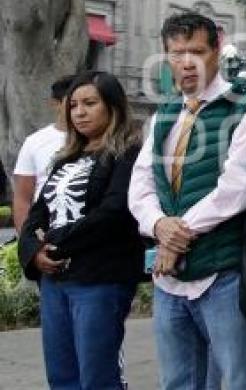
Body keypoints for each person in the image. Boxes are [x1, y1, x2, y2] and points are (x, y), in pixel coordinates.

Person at [129, 12, 246, 390]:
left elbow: (241, 184)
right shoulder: (164, 114)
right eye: (176, 53)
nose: (185, 62)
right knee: (177, 381)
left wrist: (178, 234)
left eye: (196, 51)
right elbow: (140, 185)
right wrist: (159, 226)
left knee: (239, 379)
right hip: (169, 280)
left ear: (216, 50)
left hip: (222, 271)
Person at [18, 71, 144, 389]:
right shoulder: (64, 159)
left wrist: (55, 244)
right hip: (55, 282)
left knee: (97, 378)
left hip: (99, 278)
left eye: (90, 103)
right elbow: (37, 214)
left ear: (113, 107)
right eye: (73, 105)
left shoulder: (127, 153)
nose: (79, 112)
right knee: (62, 377)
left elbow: (114, 212)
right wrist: (34, 252)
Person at [12, 75, 75, 232]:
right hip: (45, 229)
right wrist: (26, 241)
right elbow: (22, 197)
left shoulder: (99, 140)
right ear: (56, 104)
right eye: (73, 104)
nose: (79, 110)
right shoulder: (35, 141)